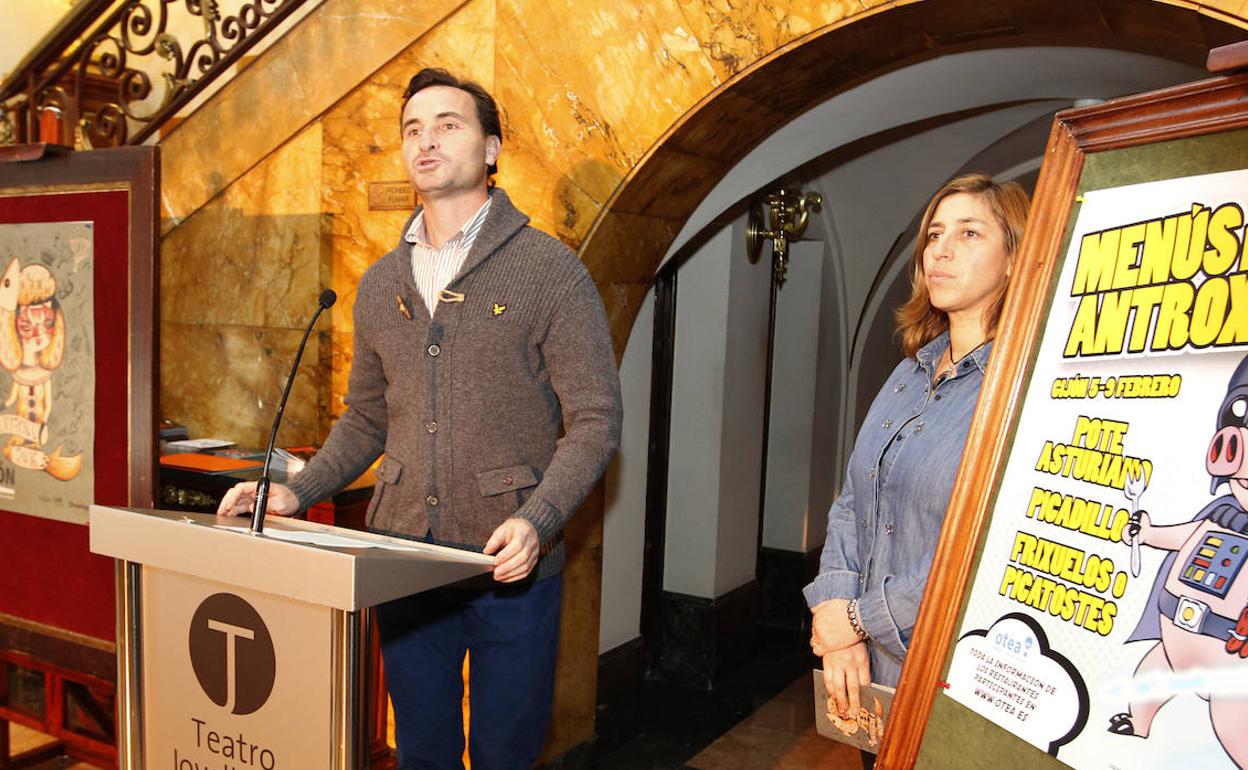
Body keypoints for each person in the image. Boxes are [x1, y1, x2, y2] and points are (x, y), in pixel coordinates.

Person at [217, 67, 622, 769]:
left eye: (447, 125)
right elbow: (365, 419)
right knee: (420, 752)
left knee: (504, 755)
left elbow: (595, 419)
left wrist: (539, 518)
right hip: (401, 558)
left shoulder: (550, 270)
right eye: (412, 129)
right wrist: (296, 491)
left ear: (491, 149)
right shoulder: (381, 283)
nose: (425, 141)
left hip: (509, 564)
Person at [804, 173, 1029, 764]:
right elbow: (853, 500)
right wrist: (836, 619)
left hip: (950, 679)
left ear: (1014, 259)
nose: (941, 251)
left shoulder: (1022, 389)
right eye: (934, 235)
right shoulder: (908, 372)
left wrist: (856, 619)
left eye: (969, 233)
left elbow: (986, 550)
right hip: (869, 672)